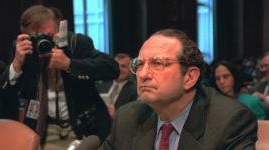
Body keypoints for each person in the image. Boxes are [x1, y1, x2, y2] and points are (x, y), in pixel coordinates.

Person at [99, 29, 257, 150]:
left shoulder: (230, 122)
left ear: (189, 77)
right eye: (139, 64)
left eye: (157, 63)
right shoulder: (127, 118)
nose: (143, 74)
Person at [0, 5, 119, 149]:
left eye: (48, 35)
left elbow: (112, 68)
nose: (43, 42)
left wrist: (69, 64)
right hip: (44, 127)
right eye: (37, 37)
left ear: (58, 28)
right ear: (26, 36)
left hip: (82, 127)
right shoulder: (24, 51)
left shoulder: (76, 44)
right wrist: (16, 64)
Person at [97, 53, 137, 118]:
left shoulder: (135, 91)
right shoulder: (101, 87)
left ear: (130, 71)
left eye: (123, 66)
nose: (119, 69)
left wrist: (116, 116)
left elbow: (133, 118)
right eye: (116, 66)